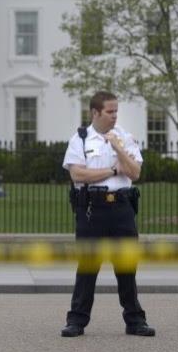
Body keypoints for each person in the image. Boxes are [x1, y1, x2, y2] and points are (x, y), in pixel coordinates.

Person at [60, 91, 155, 337]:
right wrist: (113, 170)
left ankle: (135, 321)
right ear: (95, 113)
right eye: (109, 112)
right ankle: (76, 321)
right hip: (92, 209)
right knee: (88, 266)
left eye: (116, 112)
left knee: (126, 266)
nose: (114, 116)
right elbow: (78, 175)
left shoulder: (124, 137)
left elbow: (134, 173)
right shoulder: (79, 140)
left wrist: (118, 148)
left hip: (122, 208)